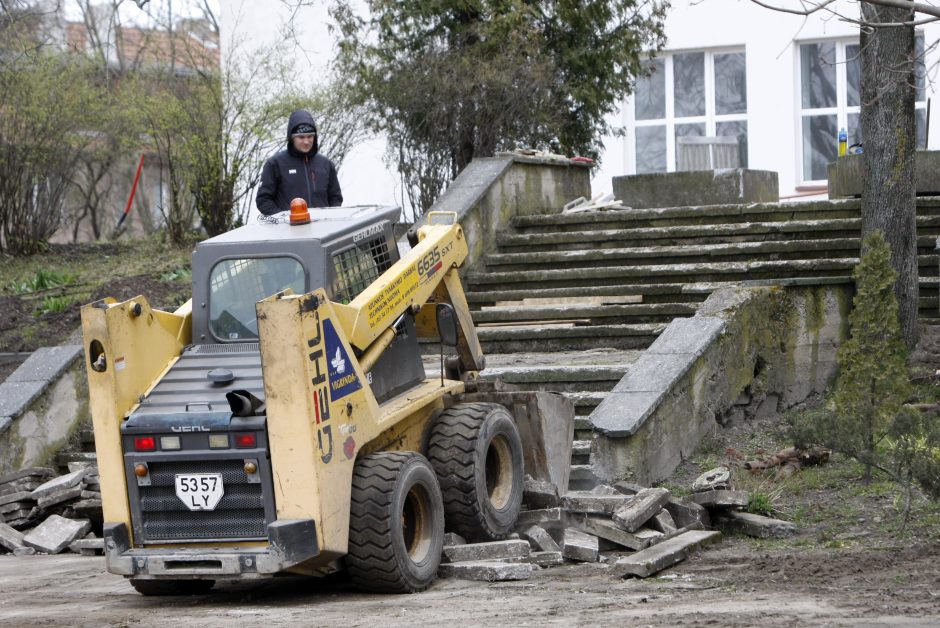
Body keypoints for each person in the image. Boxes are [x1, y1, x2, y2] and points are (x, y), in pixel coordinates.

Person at [256, 109, 343, 215]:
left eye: (310, 136)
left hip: (322, 228)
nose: (306, 142)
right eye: (301, 137)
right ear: (292, 138)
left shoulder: (326, 164)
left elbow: (336, 198)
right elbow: (263, 200)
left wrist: (330, 217)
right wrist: (283, 219)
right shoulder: (275, 164)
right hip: (288, 229)